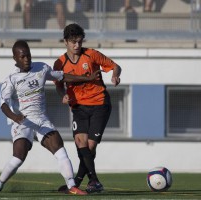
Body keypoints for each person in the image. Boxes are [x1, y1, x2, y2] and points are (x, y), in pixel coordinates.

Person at [0, 40, 101, 195]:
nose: (27, 59)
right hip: (23, 121)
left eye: (28, 55)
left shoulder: (41, 68)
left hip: (41, 120)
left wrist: (88, 79)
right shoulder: (11, 79)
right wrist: (14, 117)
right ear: (15, 58)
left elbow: (63, 76)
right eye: (22, 57)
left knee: (59, 147)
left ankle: (71, 186)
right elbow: (3, 104)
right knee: (19, 156)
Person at [53, 23, 122, 193]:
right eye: (73, 42)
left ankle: (78, 181)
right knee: (80, 143)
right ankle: (93, 181)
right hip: (78, 107)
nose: (77, 46)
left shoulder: (91, 55)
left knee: (90, 147)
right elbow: (58, 84)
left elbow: (115, 66)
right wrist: (63, 94)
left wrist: (115, 75)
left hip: (99, 104)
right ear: (65, 42)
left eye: (79, 42)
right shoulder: (59, 63)